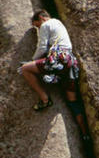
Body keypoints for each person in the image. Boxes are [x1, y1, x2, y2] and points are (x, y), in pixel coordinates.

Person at [19, 10, 89, 138]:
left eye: (37, 25)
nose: (38, 29)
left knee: (25, 69)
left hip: (57, 59)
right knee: (72, 100)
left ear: (41, 18)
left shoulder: (46, 24)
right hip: (70, 64)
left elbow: (42, 47)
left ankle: (45, 99)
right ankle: (85, 133)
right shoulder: (58, 23)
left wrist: (32, 61)